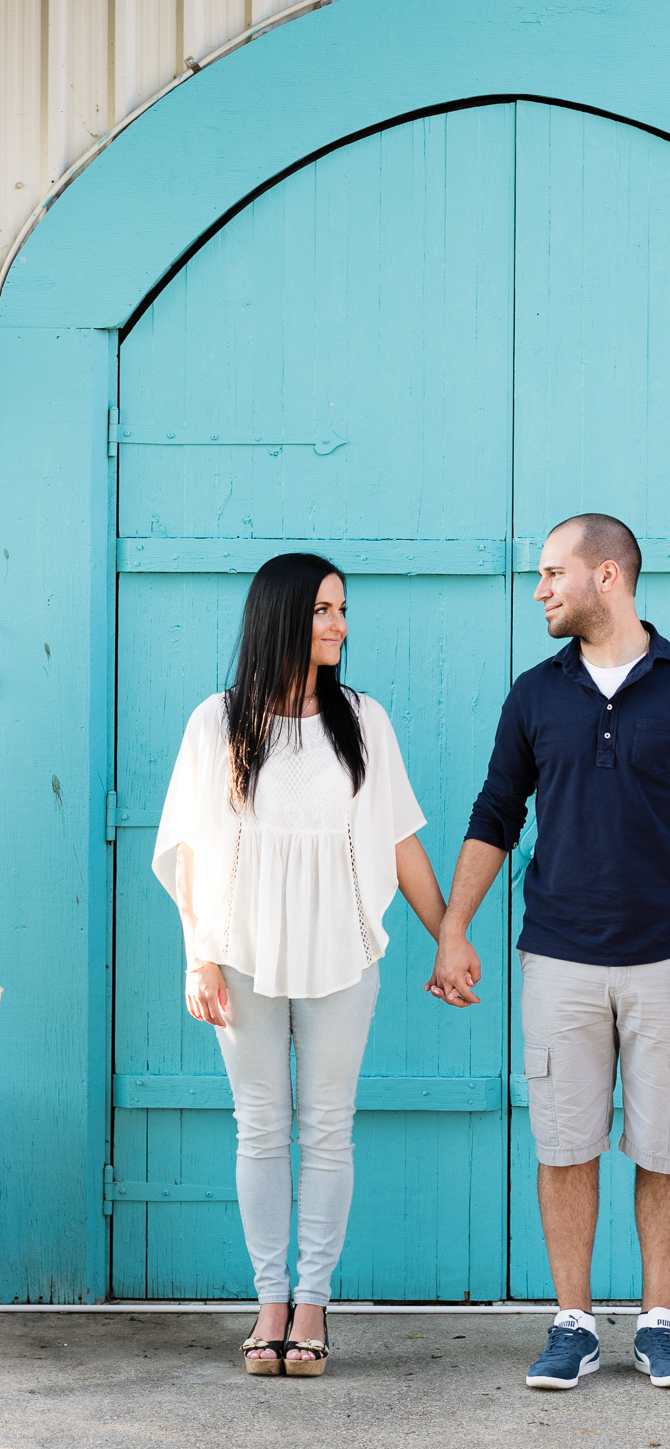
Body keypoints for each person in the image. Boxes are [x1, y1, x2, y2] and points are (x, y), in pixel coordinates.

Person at [427, 513, 670, 1391]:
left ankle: (658, 1323)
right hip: (560, 956)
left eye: (549, 573)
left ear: (605, 575)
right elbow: (495, 814)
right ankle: (572, 1324)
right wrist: (453, 927)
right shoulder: (534, 694)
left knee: (667, 1146)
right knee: (565, 1142)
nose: (538, 590)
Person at [153, 553, 446, 1376]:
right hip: (239, 954)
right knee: (259, 1127)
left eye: (341, 609)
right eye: (322, 609)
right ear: (279, 614)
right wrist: (198, 957)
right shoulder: (217, 722)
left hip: (343, 951)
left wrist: (448, 935)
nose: (338, 625)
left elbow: (399, 839)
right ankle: (269, 1301)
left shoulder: (364, 719)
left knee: (325, 1130)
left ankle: (313, 1302)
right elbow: (188, 855)